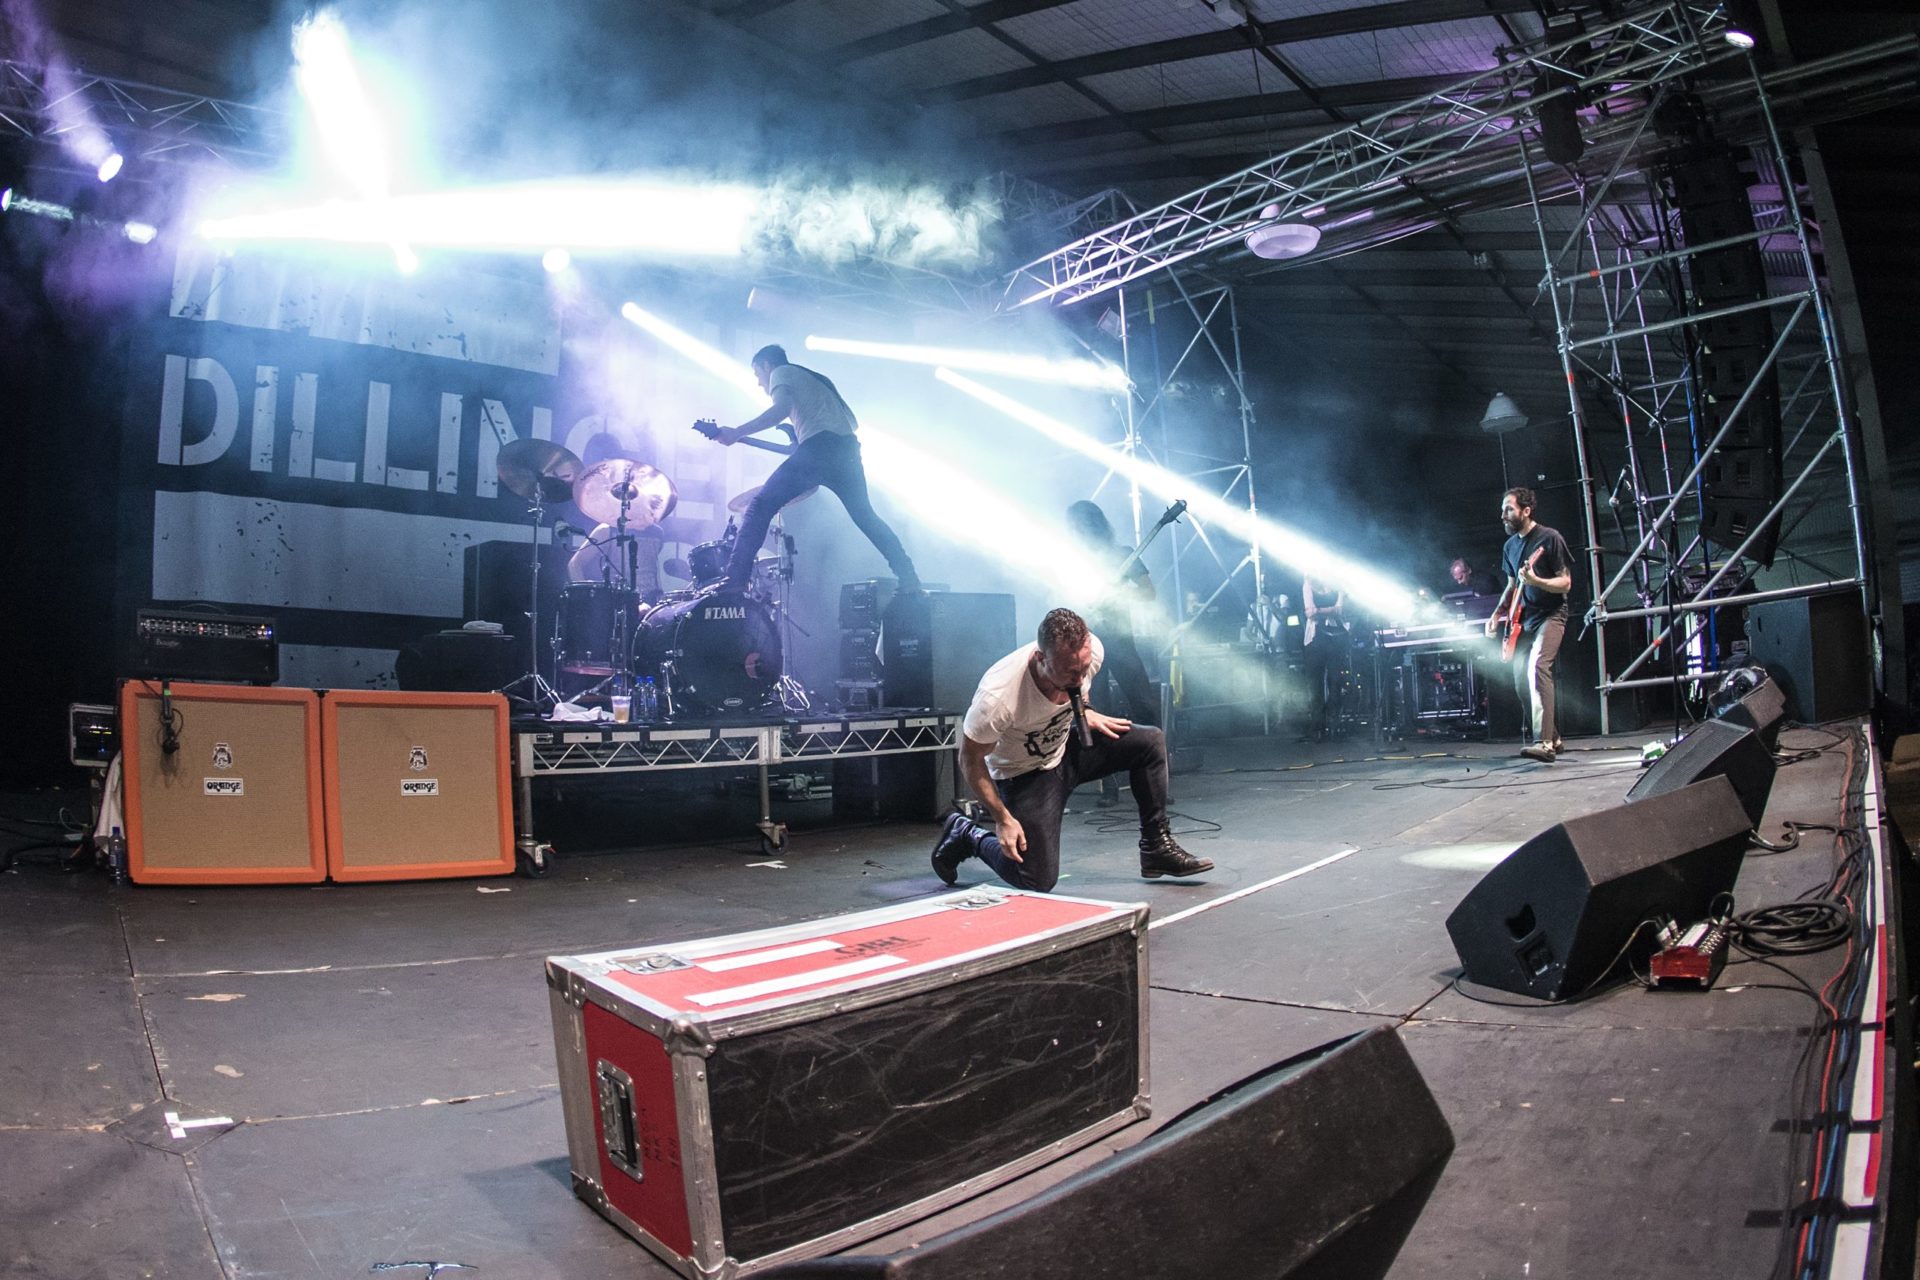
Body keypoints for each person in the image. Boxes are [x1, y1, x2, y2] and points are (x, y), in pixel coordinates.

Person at [930, 607, 1214, 892]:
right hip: (1025, 775)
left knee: (1149, 741)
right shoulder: (998, 698)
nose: (1079, 679)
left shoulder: (1090, 654)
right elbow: (970, 760)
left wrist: (1086, 711)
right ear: (1042, 659)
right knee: (1036, 880)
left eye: (1083, 669)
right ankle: (967, 834)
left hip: (1068, 750)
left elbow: (1081, 684)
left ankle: (1156, 848)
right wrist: (1002, 818)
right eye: (1070, 672)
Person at [703, 344, 920, 594]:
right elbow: (851, 422)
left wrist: (737, 431)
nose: (760, 384)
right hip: (847, 450)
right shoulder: (817, 379)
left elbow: (780, 411)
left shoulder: (780, 372)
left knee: (760, 505)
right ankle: (908, 577)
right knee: (866, 517)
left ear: (766, 365)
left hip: (818, 448)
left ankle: (734, 580)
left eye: (757, 375)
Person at [1065, 501, 1159, 806]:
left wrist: (1119, 592)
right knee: (1095, 713)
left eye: (1081, 525)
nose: (1076, 532)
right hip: (1087, 644)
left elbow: (1148, 593)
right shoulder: (1072, 561)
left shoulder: (1122, 555)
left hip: (1119, 640)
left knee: (1145, 706)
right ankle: (1108, 786)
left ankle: (1154, 781)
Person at [1486, 487, 1573, 762]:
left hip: (1552, 614)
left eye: (1509, 509)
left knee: (1538, 667)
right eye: (1503, 510)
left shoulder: (1550, 538)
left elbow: (1566, 582)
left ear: (1526, 510)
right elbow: (1512, 585)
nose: (1503, 516)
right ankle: (1555, 737)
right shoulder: (1510, 547)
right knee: (1520, 682)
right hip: (1524, 621)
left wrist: (1537, 582)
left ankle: (1544, 743)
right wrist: (1497, 614)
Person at [1300, 575, 1348, 741]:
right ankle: (1317, 726)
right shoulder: (1308, 584)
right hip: (1315, 639)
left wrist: (1319, 611)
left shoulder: (1338, 585)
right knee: (1315, 684)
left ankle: (1334, 723)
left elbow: (1340, 609)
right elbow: (1309, 613)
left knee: (1336, 682)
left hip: (1336, 637)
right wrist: (1329, 610)